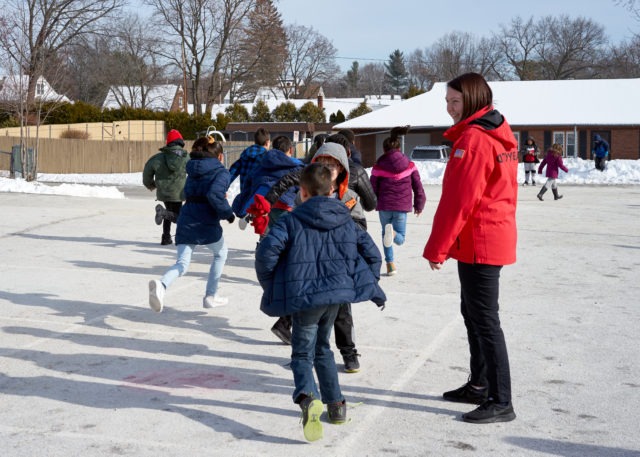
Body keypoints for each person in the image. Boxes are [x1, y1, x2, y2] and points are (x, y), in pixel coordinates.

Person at [255, 162, 386, 442]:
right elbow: (373, 254)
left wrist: (273, 285)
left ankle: (308, 398)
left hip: (305, 298)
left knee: (302, 354)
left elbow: (266, 253)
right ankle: (336, 405)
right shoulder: (345, 219)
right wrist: (359, 282)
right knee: (323, 348)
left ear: (302, 192)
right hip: (335, 298)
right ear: (331, 190)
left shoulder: (291, 221)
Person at [423, 72, 518, 424]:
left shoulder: (475, 140)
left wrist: (438, 247)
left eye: (455, 102)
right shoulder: (496, 130)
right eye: (447, 101)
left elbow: (459, 201)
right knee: (472, 313)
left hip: (481, 239)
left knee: (485, 320)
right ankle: (478, 384)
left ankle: (500, 399)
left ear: (474, 101)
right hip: (487, 235)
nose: (449, 108)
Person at [267, 141, 370, 373]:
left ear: (342, 168)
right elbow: (296, 224)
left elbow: (360, 229)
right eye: (322, 163)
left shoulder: (349, 197)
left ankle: (349, 352)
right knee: (307, 315)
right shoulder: (304, 196)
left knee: (342, 313)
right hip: (310, 265)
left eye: (332, 164)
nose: (327, 168)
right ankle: (305, 354)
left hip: (337, 266)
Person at [148, 137, 235, 313]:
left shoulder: (192, 169)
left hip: (187, 217)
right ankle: (210, 295)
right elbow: (214, 194)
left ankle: (162, 285)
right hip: (205, 221)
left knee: (182, 264)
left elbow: (188, 192)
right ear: (219, 157)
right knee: (221, 253)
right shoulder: (222, 172)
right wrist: (228, 213)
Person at [370, 126, 426, 277]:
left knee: (385, 234)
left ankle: (390, 265)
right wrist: (419, 204)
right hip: (401, 206)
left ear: (384, 149)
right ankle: (394, 233)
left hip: (384, 206)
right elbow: (418, 186)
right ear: (399, 148)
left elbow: (372, 187)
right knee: (399, 238)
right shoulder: (409, 165)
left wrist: (372, 202)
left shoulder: (378, 166)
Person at [232, 135, 304, 231]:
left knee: (266, 236)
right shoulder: (296, 166)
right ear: (291, 150)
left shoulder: (262, 165)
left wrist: (243, 206)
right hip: (285, 207)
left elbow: (249, 186)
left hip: (263, 207)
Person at [143, 129, 188, 245]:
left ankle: (166, 237)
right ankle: (180, 238)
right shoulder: (186, 157)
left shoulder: (157, 158)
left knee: (169, 211)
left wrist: (151, 185)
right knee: (179, 217)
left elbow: (147, 173)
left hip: (163, 192)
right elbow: (195, 171)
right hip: (179, 192)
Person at [228, 128, 271, 216]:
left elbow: (232, 172)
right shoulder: (266, 157)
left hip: (245, 194)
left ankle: (246, 211)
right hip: (260, 195)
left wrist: (223, 187)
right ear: (267, 142)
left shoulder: (244, 156)